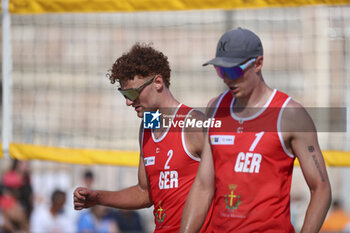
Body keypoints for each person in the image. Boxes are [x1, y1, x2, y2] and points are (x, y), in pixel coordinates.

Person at [180, 27, 332, 233]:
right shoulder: (215, 108)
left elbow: (321, 189)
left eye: (234, 70)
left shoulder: (290, 115)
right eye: (221, 71)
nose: (227, 79)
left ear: (258, 63)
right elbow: (203, 186)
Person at [74, 43, 211, 232]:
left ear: (157, 82)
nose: (129, 102)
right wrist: (98, 197)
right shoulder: (148, 125)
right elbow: (145, 193)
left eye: (132, 93)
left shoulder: (193, 123)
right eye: (124, 94)